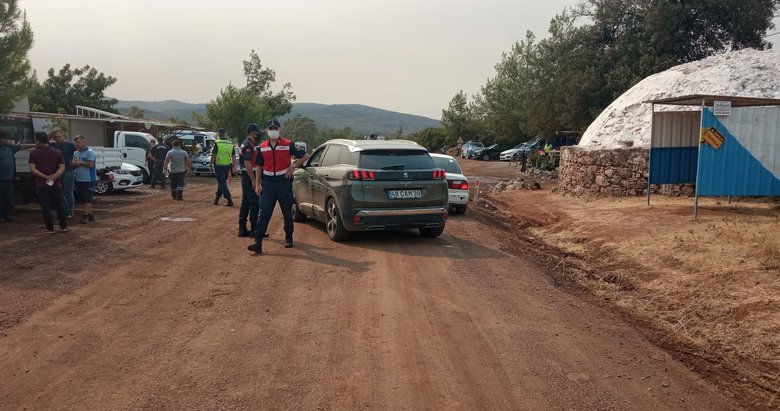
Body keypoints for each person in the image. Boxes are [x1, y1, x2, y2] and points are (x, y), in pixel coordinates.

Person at [247, 119, 309, 254]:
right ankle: (258, 242)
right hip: (268, 183)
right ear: (267, 131)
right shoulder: (262, 146)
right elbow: (259, 166)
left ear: (280, 130)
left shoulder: (288, 144)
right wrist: (257, 184)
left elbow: (305, 156)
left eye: (275, 128)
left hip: (283, 182)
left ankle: (288, 237)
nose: (273, 130)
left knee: (287, 210)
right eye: (271, 128)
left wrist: (293, 166)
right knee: (264, 212)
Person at [28, 132, 69, 233]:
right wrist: (53, 177)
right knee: (59, 203)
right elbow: (62, 168)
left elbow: (33, 169)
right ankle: (63, 226)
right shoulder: (57, 152)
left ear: (37, 140)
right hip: (55, 183)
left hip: (42, 183)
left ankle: (50, 228)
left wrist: (46, 177)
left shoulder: (34, 153)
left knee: (45, 205)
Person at [0, 131, 34, 222]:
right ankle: (1, 216)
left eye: (4, 138)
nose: (2, 140)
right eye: (1, 138)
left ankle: (8, 215)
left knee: (9, 198)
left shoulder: (10, 147)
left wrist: (35, 144)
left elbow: (22, 146)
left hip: (9, 179)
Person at [237, 124, 260, 237]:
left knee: (245, 203)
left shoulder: (250, 143)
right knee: (254, 203)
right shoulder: (248, 145)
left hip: (247, 175)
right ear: (252, 132)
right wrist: (254, 180)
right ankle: (255, 230)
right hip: (249, 175)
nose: (258, 134)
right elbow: (247, 163)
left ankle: (242, 229)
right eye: (257, 132)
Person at [49, 130, 77, 218]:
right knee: (59, 192)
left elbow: (80, 150)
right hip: (57, 172)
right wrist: (51, 134)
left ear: (63, 136)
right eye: (56, 137)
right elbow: (43, 142)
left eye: (59, 136)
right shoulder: (53, 145)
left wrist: (75, 162)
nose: (58, 139)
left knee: (67, 192)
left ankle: (69, 211)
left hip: (68, 171)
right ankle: (62, 211)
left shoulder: (70, 145)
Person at [72, 135, 97, 224]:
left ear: (84, 142)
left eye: (78, 142)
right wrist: (75, 164)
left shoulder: (90, 153)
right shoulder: (76, 153)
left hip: (89, 179)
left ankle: (85, 216)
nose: (77, 144)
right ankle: (90, 215)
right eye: (76, 142)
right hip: (79, 179)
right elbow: (74, 165)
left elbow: (91, 165)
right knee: (83, 198)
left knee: (87, 198)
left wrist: (80, 163)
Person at [210, 128, 234, 206]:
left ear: (218, 134)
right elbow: (233, 155)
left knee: (222, 182)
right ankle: (216, 200)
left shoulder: (217, 143)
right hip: (227, 165)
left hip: (219, 165)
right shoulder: (230, 143)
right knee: (221, 182)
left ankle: (229, 199)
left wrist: (210, 164)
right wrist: (233, 166)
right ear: (225, 134)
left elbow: (213, 155)